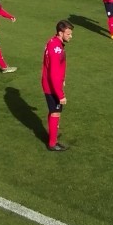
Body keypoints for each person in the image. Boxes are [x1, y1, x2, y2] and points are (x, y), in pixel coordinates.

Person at [42, 19, 75, 152]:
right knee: (56, 112)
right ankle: (52, 143)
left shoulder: (54, 42)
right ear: (60, 33)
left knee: (54, 111)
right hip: (52, 86)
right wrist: (60, 94)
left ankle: (53, 136)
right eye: (68, 34)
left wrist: (63, 79)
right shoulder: (56, 48)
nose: (70, 36)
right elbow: (53, 73)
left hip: (52, 83)